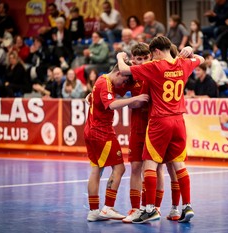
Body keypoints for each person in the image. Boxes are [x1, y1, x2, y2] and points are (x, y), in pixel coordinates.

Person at [116, 36, 204, 224]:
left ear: (156, 52)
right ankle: (186, 205)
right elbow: (201, 59)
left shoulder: (155, 67)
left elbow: (123, 70)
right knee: (179, 165)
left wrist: (119, 55)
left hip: (159, 121)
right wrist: (189, 50)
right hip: (179, 121)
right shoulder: (183, 64)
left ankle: (149, 209)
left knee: (150, 164)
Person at [120, 43, 184, 223]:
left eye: (145, 58)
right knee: (135, 168)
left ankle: (155, 207)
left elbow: (176, 61)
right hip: (138, 129)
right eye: (138, 59)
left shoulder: (156, 71)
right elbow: (116, 90)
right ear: (133, 59)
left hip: (158, 128)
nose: (141, 62)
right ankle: (135, 208)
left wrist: (188, 51)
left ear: (151, 56)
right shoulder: (131, 76)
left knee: (160, 169)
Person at [85, 64, 149, 222]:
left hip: (91, 130)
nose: (123, 85)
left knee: (96, 169)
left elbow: (93, 97)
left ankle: (94, 211)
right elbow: (111, 104)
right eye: (124, 80)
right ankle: (108, 208)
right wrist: (134, 99)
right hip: (102, 132)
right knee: (119, 168)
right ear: (119, 73)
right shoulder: (105, 83)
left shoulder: (103, 81)